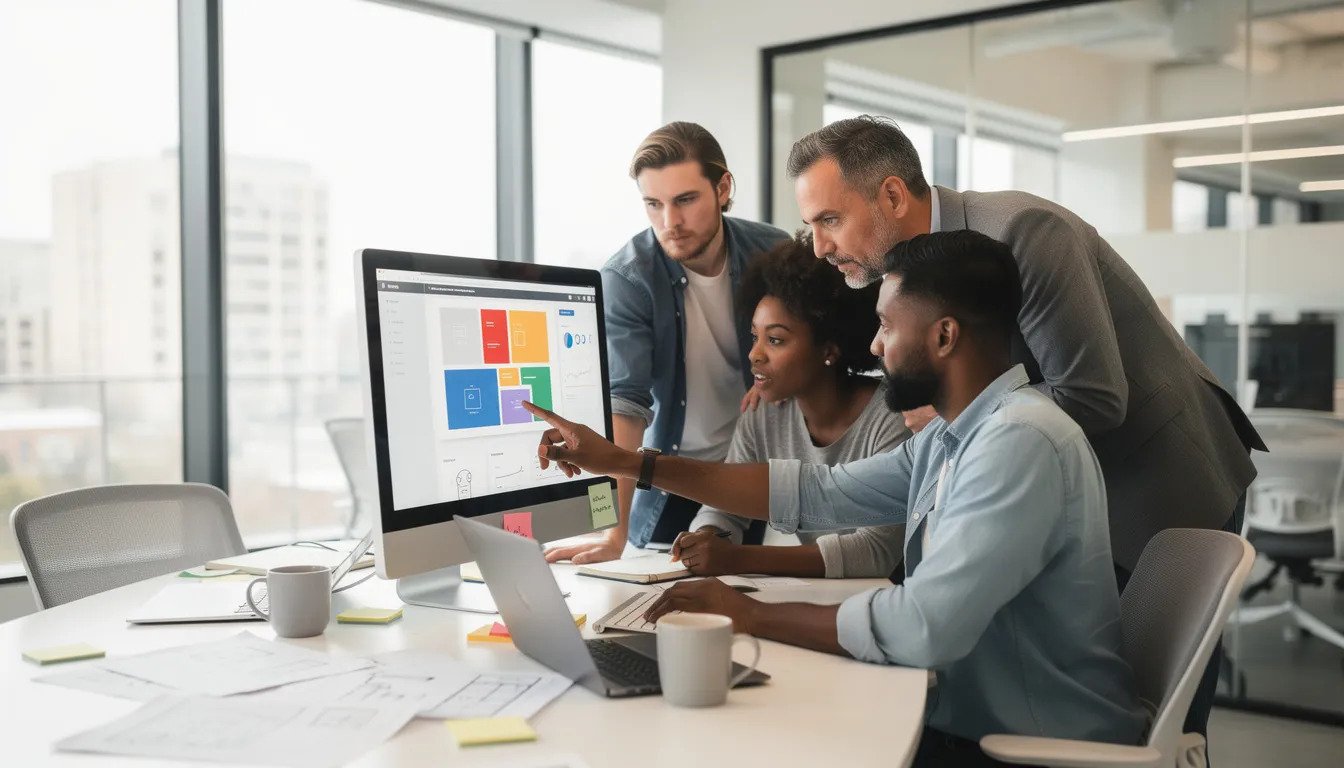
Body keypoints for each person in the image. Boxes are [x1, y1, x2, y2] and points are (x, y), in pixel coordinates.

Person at [523, 231, 1146, 766]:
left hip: (1026, 746)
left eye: (887, 326)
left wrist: (750, 615)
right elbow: (820, 489)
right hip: (973, 719)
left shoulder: (1018, 442)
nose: (873, 346)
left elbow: (922, 628)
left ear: (944, 336)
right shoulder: (955, 435)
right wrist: (627, 462)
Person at [787, 115, 1265, 745]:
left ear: (893, 196)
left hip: (1160, 472)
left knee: (1152, 720)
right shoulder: (904, 274)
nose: (820, 246)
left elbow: (1093, 395)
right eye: (811, 225)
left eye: (830, 220)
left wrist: (957, 410)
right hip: (1066, 472)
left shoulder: (1024, 232)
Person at [541, 122, 789, 565]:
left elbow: (813, 349)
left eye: (685, 200)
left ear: (723, 188)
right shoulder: (628, 278)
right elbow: (625, 408)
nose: (669, 222)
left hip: (760, 470)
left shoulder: (772, 252)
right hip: (673, 479)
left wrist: (775, 377)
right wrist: (612, 532)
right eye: (653, 204)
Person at [676, 236, 909, 580]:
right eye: (754, 336)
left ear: (829, 350)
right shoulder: (763, 413)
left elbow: (877, 551)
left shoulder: (894, 416)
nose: (755, 354)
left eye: (775, 340)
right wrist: (706, 537)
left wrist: (738, 559)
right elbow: (725, 508)